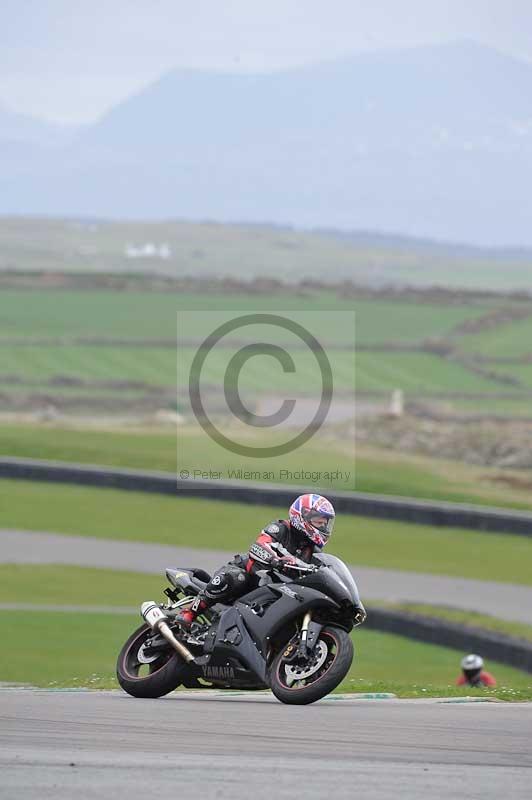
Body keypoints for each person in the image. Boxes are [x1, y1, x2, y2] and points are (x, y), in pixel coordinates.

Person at [176, 492, 367, 628]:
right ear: (303, 516)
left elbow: (323, 572)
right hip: (251, 577)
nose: (323, 526)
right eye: (319, 521)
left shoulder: (313, 551)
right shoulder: (280, 528)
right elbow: (259, 546)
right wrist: (276, 560)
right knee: (235, 578)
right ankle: (190, 612)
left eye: (325, 523)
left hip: (275, 591)